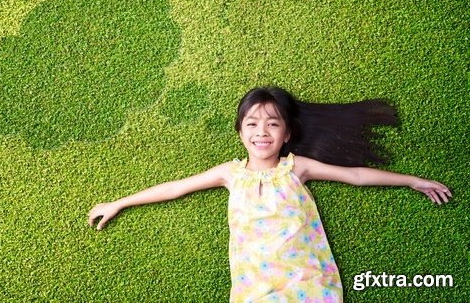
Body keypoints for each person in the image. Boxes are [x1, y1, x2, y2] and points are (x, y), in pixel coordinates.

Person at [88, 86, 451, 302]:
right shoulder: (230, 174)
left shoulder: (298, 168)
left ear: (287, 134)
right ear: (240, 132)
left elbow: (354, 175)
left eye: (272, 124)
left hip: (306, 285)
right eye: (252, 124)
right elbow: (175, 188)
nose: (262, 132)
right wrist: (120, 202)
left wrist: (411, 180)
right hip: (256, 291)